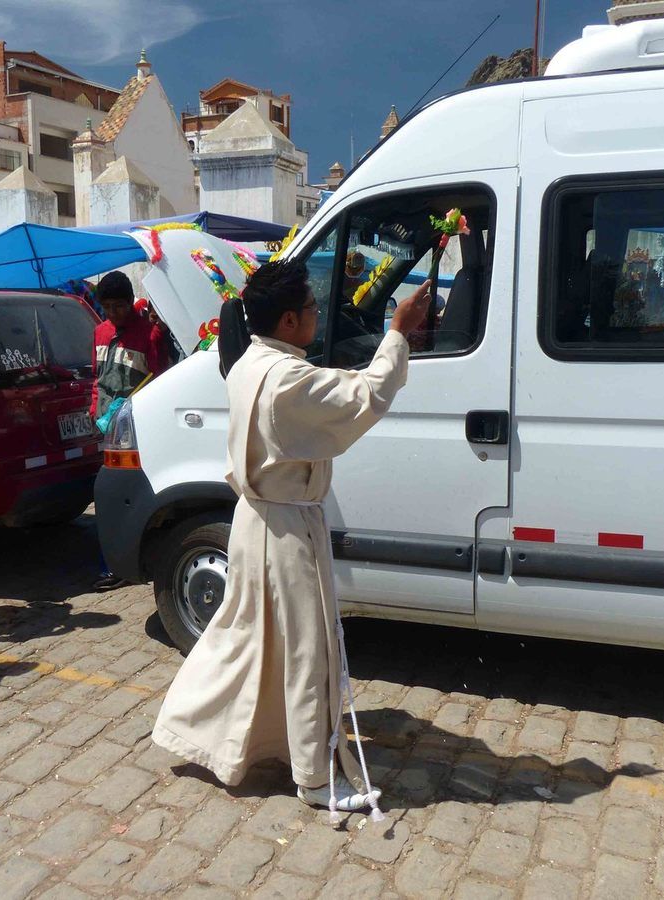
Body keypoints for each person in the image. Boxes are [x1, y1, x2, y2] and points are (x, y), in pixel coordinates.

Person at [152, 259, 431, 816]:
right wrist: (398, 332)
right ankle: (313, 777)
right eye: (309, 310)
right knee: (307, 651)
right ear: (286, 320)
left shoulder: (252, 363)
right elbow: (364, 396)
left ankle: (190, 724)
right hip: (285, 530)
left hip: (257, 521)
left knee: (248, 638)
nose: (315, 318)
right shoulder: (286, 379)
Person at [92, 271, 170, 591]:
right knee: (110, 496)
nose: (114, 313)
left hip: (137, 428)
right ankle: (114, 562)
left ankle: (134, 560)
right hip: (105, 427)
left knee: (135, 496)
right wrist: (94, 406)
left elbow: (162, 378)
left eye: (121, 306)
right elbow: (97, 378)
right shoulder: (99, 332)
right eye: (108, 307)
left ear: (130, 303)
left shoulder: (150, 334)